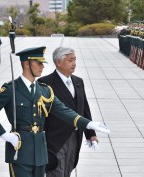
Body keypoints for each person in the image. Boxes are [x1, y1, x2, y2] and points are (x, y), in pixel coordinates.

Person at [0, 46, 110, 177]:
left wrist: (88, 124)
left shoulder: (44, 90)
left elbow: (63, 110)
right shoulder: (11, 89)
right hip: (20, 148)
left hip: (40, 150)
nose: (42, 66)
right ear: (26, 64)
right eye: (39, 63)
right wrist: (3, 134)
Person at [38, 47, 98, 177]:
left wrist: (90, 133)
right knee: (56, 172)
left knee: (67, 170)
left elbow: (84, 108)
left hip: (75, 136)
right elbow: (42, 115)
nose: (74, 63)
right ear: (58, 62)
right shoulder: (45, 83)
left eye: (75, 59)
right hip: (56, 138)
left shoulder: (78, 81)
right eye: (70, 60)